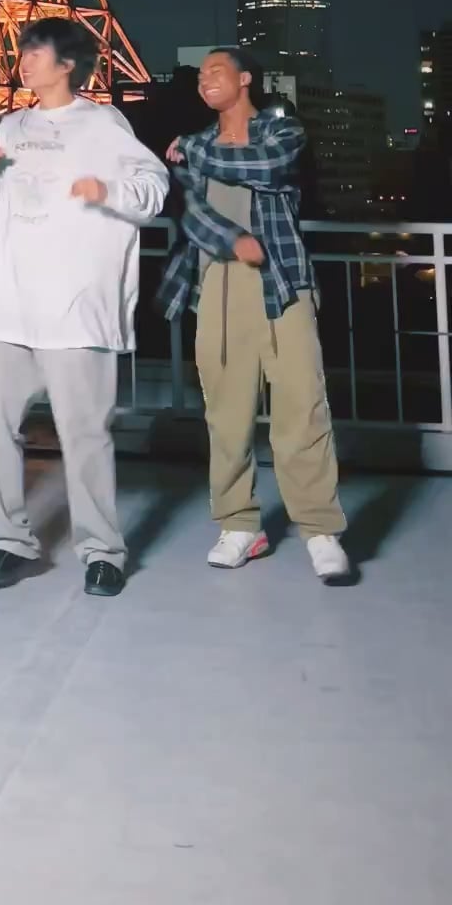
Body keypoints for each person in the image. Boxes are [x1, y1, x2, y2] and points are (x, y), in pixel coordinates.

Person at [0, 18, 168, 596]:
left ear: (67, 65)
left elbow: (153, 188)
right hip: (8, 305)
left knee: (83, 432)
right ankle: (9, 540)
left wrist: (108, 192)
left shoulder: (102, 123)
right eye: (24, 52)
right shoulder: (9, 125)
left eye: (36, 52)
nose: (24, 61)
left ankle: (102, 551)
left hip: (76, 308)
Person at [159, 48, 350, 584]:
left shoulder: (281, 132)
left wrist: (198, 155)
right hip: (218, 283)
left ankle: (319, 530)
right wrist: (234, 238)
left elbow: (266, 169)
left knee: (303, 406)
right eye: (200, 76)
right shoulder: (195, 143)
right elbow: (191, 212)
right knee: (226, 413)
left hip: (283, 280)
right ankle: (240, 524)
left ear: (245, 79)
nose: (205, 81)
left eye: (216, 71)